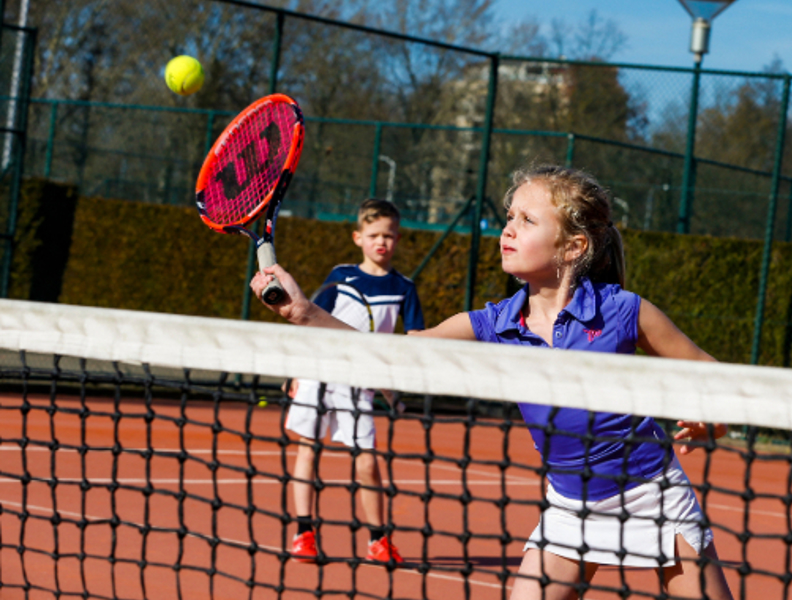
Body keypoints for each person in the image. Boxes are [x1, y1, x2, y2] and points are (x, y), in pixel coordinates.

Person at [253, 167, 733, 599]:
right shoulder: (495, 323)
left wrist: (714, 422)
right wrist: (304, 312)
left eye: (527, 220)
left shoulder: (624, 310)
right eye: (509, 217)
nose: (507, 229)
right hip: (569, 506)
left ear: (573, 246)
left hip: (653, 494)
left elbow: (717, 379)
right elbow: (394, 356)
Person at [285, 198, 424, 566]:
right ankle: (303, 532)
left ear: (398, 239)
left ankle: (377, 539)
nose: (383, 242)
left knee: (367, 462)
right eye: (375, 234)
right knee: (308, 450)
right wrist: (297, 372)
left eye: (390, 235)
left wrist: (393, 382)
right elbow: (307, 320)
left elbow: (415, 339)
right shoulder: (340, 278)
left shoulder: (404, 288)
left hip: (359, 384)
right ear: (358, 237)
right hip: (319, 375)